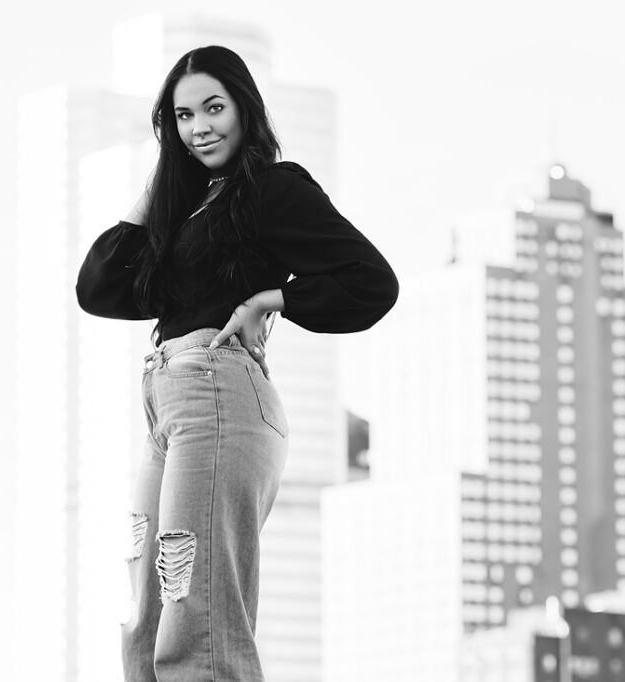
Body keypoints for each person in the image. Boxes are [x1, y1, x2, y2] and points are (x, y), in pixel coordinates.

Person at [75, 44, 398, 682]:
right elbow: (99, 287)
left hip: (219, 395)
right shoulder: (184, 211)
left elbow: (372, 282)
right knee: (146, 612)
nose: (201, 128)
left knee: (198, 613)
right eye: (184, 116)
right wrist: (161, 175)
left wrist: (271, 299)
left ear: (244, 108)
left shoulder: (272, 190)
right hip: (166, 404)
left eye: (214, 108)